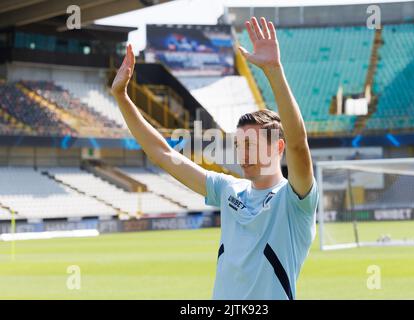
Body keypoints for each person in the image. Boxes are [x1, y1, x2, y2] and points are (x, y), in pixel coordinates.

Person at [111, 17, 319, 300]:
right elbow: (163, 153)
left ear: (277, 147)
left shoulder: (294, 201)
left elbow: (299, 145)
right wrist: (122, 96)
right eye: (239, 144)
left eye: (251, 144)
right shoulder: (228, 189)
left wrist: (274, 71)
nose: (242, 153)